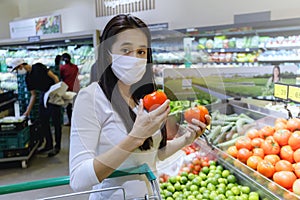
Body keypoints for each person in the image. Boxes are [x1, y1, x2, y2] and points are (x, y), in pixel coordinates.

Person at [69, 14, 210, 199]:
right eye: (126, 50)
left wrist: (187, 139)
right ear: (108, 54)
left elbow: (152, 155)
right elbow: (78, 179)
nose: (135, 58)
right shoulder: (91, 98)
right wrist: (135, 137)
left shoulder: (144, 98)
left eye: (141, 52)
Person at [10, 58, 62, 157]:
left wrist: (57, 92)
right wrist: (27, 111)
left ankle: (57, 146)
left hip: (53, 92)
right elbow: (33, 95)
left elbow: (54, 77)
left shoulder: (38, 67)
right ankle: (49, 144)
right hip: (44, 95)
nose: (18, 72)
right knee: (43, 121)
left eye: (17, 70)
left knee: (56, 121)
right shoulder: (27, 78)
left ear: (21, 66)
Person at [60, 53, 80, 126]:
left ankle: (70, 121)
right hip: (76, 88)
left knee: (69, 107)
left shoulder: (63, 68)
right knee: (75, 106)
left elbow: (61, 78)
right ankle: (77, 121)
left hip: (67, 89)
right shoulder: (75, 67)